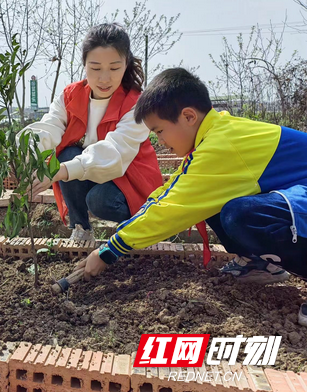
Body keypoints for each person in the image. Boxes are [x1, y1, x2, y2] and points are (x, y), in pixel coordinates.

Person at [77, 68, 307, 326]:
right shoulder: (214, 137)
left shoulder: (222, 145)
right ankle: (259, 264)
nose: (160, 141)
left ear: (188, 116)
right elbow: (173, 192)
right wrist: (113, 244)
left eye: (160, 131)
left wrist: (110, 250)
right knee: (217, 203)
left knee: (241, 216)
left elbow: (172, 208)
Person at [20, 23, 163, 242]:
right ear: (85, 65)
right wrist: (25, 152)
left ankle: (142, 225)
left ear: (125, 65)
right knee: (66, 154)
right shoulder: (70, 96)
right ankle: (81, 228)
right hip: (86, 171)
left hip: (128, 177)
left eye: (114, 68)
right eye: (95, 68)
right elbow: (50, 126)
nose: (104, 78)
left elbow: (115, 152)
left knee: (100, 201)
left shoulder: (136, 104)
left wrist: (60, 171)